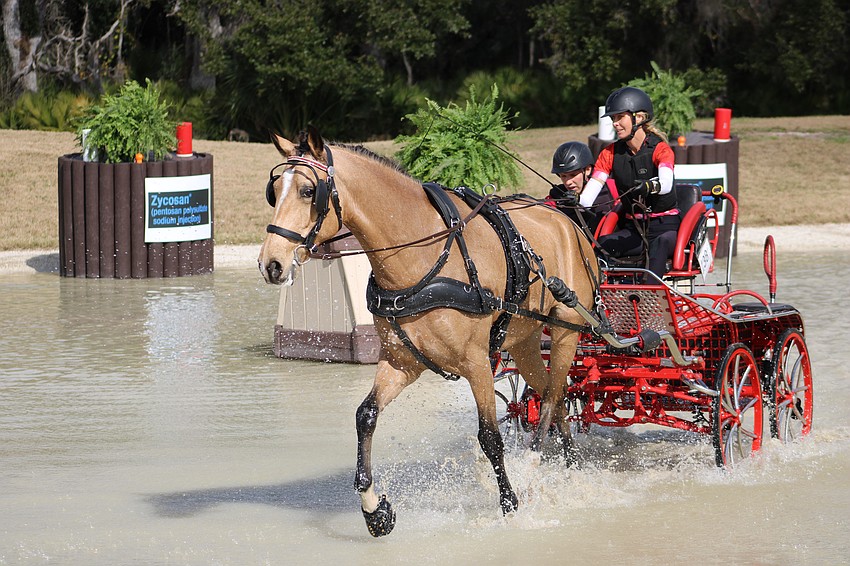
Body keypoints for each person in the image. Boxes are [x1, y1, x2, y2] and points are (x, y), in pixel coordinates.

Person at [578, 86, 679, 277]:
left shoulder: (661, 149)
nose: (615, 124)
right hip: (635, 229)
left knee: (660, 245)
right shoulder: (609, 153)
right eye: (613, 119)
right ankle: (600, 298)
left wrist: (649, 185)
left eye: (619, 117)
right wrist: (574, 199)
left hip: (665, 228)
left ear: (638, 118)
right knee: (602, 246)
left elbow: (665, 185)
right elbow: (587, 197)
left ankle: (650, 299)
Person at [546, 141, 616, 236]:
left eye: (573, 175)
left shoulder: (610, 187)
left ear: (587, 170)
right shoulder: (557, 195)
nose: (568, 182)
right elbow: (542, 210)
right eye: (563, 176)